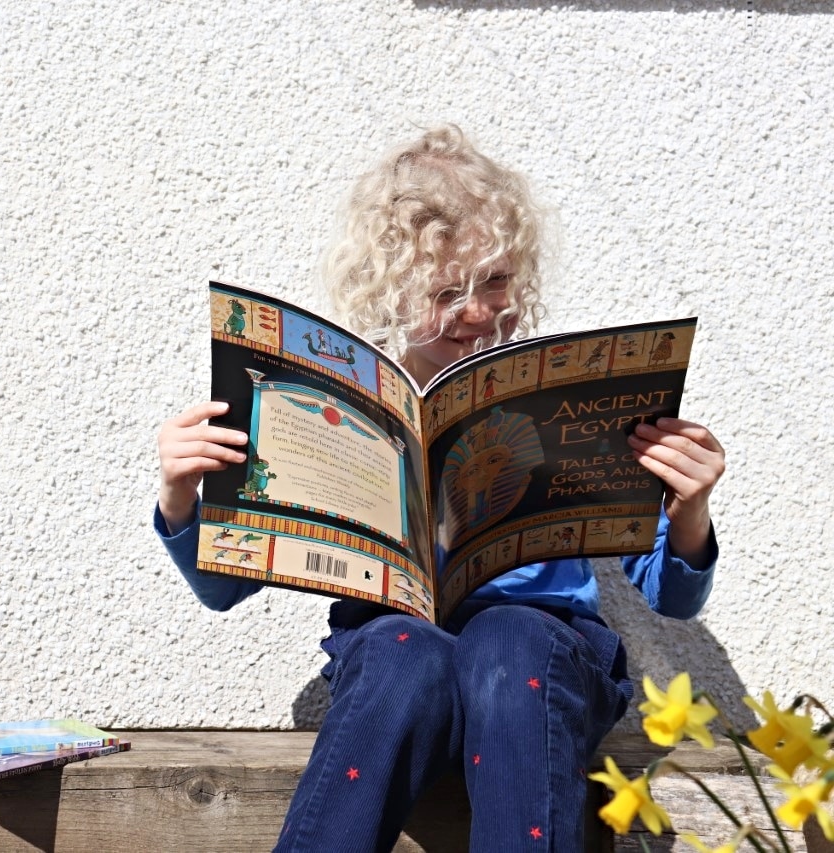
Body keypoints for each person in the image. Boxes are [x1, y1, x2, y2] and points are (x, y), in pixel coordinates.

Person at [154, 125, 725, 852]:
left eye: (495, 281)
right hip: (401, 667)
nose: (479, 312)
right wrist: (182, 494)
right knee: (403, 648)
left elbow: (672, 596)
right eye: (446, 291)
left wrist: (689, 510)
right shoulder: (340, 408)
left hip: (541, 672)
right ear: (390, 292)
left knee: (507, 634)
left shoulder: (572, 399)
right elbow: (221, 588)